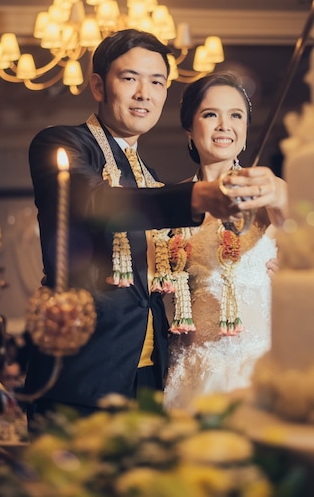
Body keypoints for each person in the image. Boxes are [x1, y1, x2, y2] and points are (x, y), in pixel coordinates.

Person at [23, 29, 285, 428]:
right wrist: (198, 198)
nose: (145, 93)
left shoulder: (150, 177)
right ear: (98, 84)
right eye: (130, 78)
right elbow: (94, 203)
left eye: (157, 81)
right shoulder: (62, 144)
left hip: (151, 376)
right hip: (83, 373)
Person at [163, 72, 287, 410]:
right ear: (189, 127)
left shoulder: (263, 191)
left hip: (254, 369)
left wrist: (278, 194)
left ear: (246, 131)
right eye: (210, 114)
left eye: (236, 115)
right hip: (191, 372)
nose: (224, 125)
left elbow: (302, 231)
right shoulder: (172, 206)